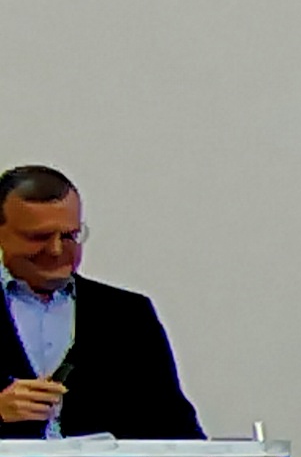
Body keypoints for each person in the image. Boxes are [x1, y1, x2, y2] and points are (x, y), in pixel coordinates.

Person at [0, 166, 199, 441]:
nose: (56, 250)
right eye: (38, 237)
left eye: (69, 236)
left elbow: (175, 427)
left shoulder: (127, 315)